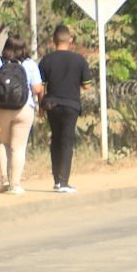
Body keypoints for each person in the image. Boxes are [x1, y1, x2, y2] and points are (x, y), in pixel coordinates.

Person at [0, 37, 46, 194]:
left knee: (3, 143)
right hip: (24, 108)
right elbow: (37, 88)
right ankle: (15, 184)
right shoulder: (30, 64)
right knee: (18, 147)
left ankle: (4, 179)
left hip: (0, 108)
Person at [37, 25, 91, 194]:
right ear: (70, 39)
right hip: (71, 106)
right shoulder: (79, 60)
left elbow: (41, 88)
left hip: (52, 105)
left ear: (54, 40)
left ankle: (56, 181)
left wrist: (41, 106)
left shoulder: (46, 60)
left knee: (56, 140)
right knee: (67, 142)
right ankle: (64, 181)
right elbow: (86, 85)